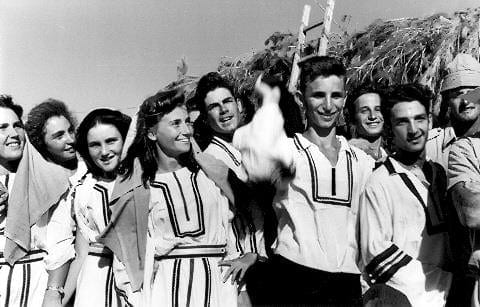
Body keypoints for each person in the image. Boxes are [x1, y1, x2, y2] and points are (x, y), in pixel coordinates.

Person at [234, 56, 374, 305]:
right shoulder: (284, 151)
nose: (329, 106)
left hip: (347, 285)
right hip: (294, 279)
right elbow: (245, 193)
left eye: (336, 96)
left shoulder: (361, 161)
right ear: (300, 98)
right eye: (318, 95)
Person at [105, 89, 240, 306]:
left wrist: (249, 254)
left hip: (219, 285)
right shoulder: (142, 188)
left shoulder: (211, 174)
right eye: (175, 123)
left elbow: (237, 222)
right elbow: (127, 258)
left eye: (187, 122)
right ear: (151, 133)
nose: (186, 130)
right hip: (167, 288)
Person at [359, 84, 452, 306]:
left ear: (429, 120)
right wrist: (445, 282)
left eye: (419, 118)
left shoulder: (438, 174)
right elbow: (375, 255)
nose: (413, 129)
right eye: (402, 122)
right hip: (408, 300)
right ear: (390, 128)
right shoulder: (379, 182)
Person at [45, 108, 134, 307]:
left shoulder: (143, 182)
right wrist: (58, 298)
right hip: (95, 282)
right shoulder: (83, 190)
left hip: (137, 277)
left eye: (111, 141)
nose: (104, 152)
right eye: (95, 145)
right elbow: (81, 252)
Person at [426, 53, 480, 170]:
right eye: (457, 94)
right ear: (447, 100)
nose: (466, 101)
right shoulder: (429, 146)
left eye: (472, 93)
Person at [346, 84, 387, 161]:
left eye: (378, 109)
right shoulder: (345, 158)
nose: (372, 116)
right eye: (364, 111)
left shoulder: (389, 159)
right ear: (353, 117)